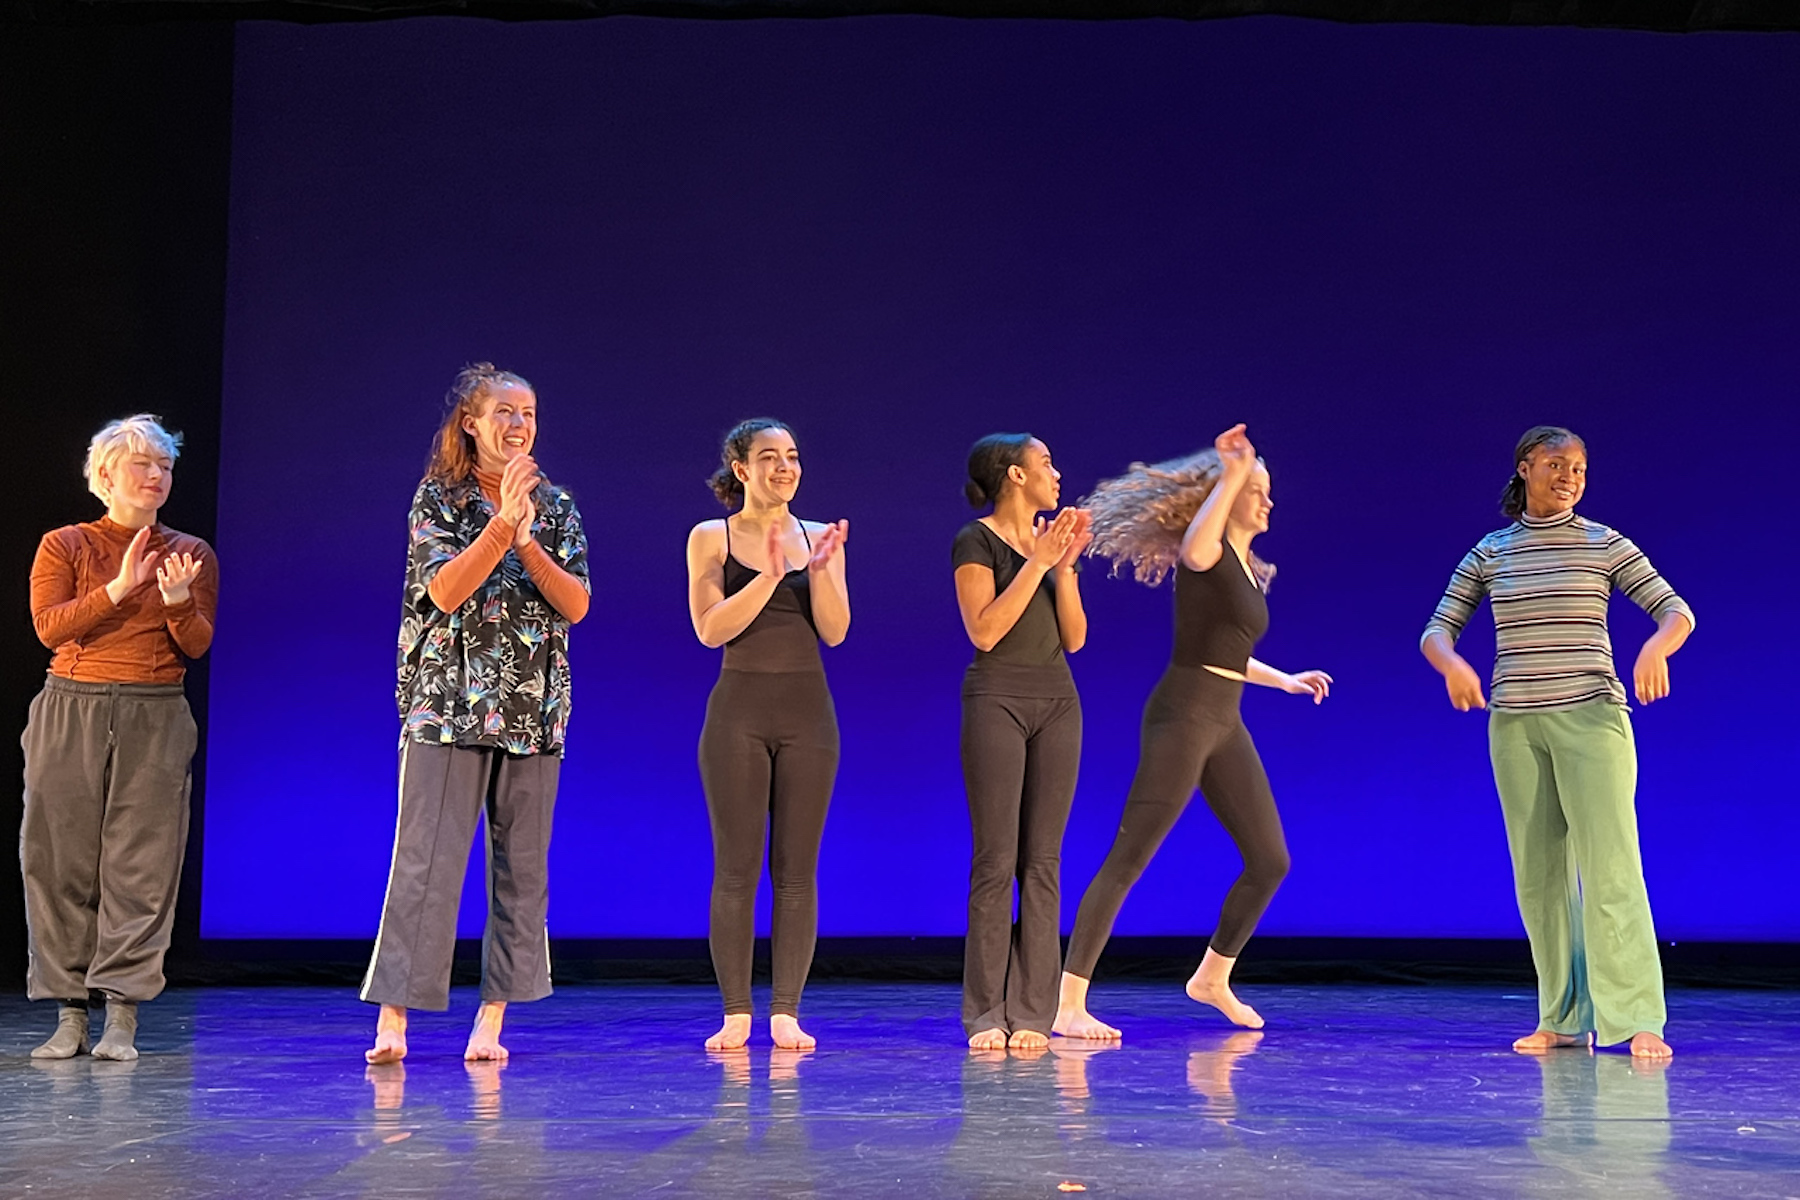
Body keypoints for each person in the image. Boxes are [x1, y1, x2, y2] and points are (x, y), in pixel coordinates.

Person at [1420, 426, 1692, 1060]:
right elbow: (1437, 628)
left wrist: (1657, 644)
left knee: (1610, 869)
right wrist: (1452, 664)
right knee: (1539, 879)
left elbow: (1675, 609)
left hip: (1592, 718)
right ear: (1525, 468)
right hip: (1515, 723)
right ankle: (1564, 1018)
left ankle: (1635, 1019)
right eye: (1555, 463)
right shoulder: (1492, 550)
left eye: (1578, 468)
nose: (1569, 475)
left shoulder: (1604, 543)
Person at [1055, 425, 1332, 1040]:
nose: (1268, 502)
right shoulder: (1205, 552)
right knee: (1130, 857)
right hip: (1182, 714)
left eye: (1266, 491)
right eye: (1257, 491)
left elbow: (1225, 651)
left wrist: (1284, 680)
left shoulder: (1241, 566)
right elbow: (1197, 550)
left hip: (1223, 717)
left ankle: (1211, 977)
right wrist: (1235, 468)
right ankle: (1067, 1003)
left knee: (1269, 860)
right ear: (1226, 496)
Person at [362, 364, 590, 1064]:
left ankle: (492, 1021)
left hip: (531, 711)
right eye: (504, 412)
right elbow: (446, 590)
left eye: (528, 413)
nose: (518, 425)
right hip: (447, 708)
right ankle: (395, 1020)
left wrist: (526, 535)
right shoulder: (438, 499)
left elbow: (576, 604)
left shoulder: (557, 508)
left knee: (523, 870)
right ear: (470, 421)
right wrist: (498, 526)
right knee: (425, 863)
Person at [22, 414, 217, 1061]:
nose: (158, 476)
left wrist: (178, 601)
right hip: (71, 707)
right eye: (144, 465)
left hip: (154, 710)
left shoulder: (190, 551)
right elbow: (51, 629)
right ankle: (69, 1014)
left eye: (165, 467)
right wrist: (120, 587)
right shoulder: (65, 545)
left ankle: (121, 1018)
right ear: (106, 475)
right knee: (58, 861)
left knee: (142, 865)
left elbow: (195, 645)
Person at [685, 419, 849, 1052]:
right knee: (736, 868)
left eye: (793, 456)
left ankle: (786, 1011)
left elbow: (834, 631)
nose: (785, 467)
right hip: (738, 718)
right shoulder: (712, 537)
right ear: (740, 467)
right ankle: (735, 1012)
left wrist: (825, 571)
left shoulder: (819, 537)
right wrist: (771, 574)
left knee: (797, 870)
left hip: (809, 718)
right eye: (770, 457)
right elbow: (710, 628)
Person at [952, 433, 1091, 1051]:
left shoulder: (1050, 546)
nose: (1056, 474)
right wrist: (1036, 563)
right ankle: (986, 1012)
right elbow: (984, 631)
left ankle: (1034, 1011)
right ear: (1014, 475)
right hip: (996, 701)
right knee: (996, 860)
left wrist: (1063, 569)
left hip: (1058, 702)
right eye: (1046, 463)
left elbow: (1076, 638)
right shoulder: (974, 540)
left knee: (1044, 862)